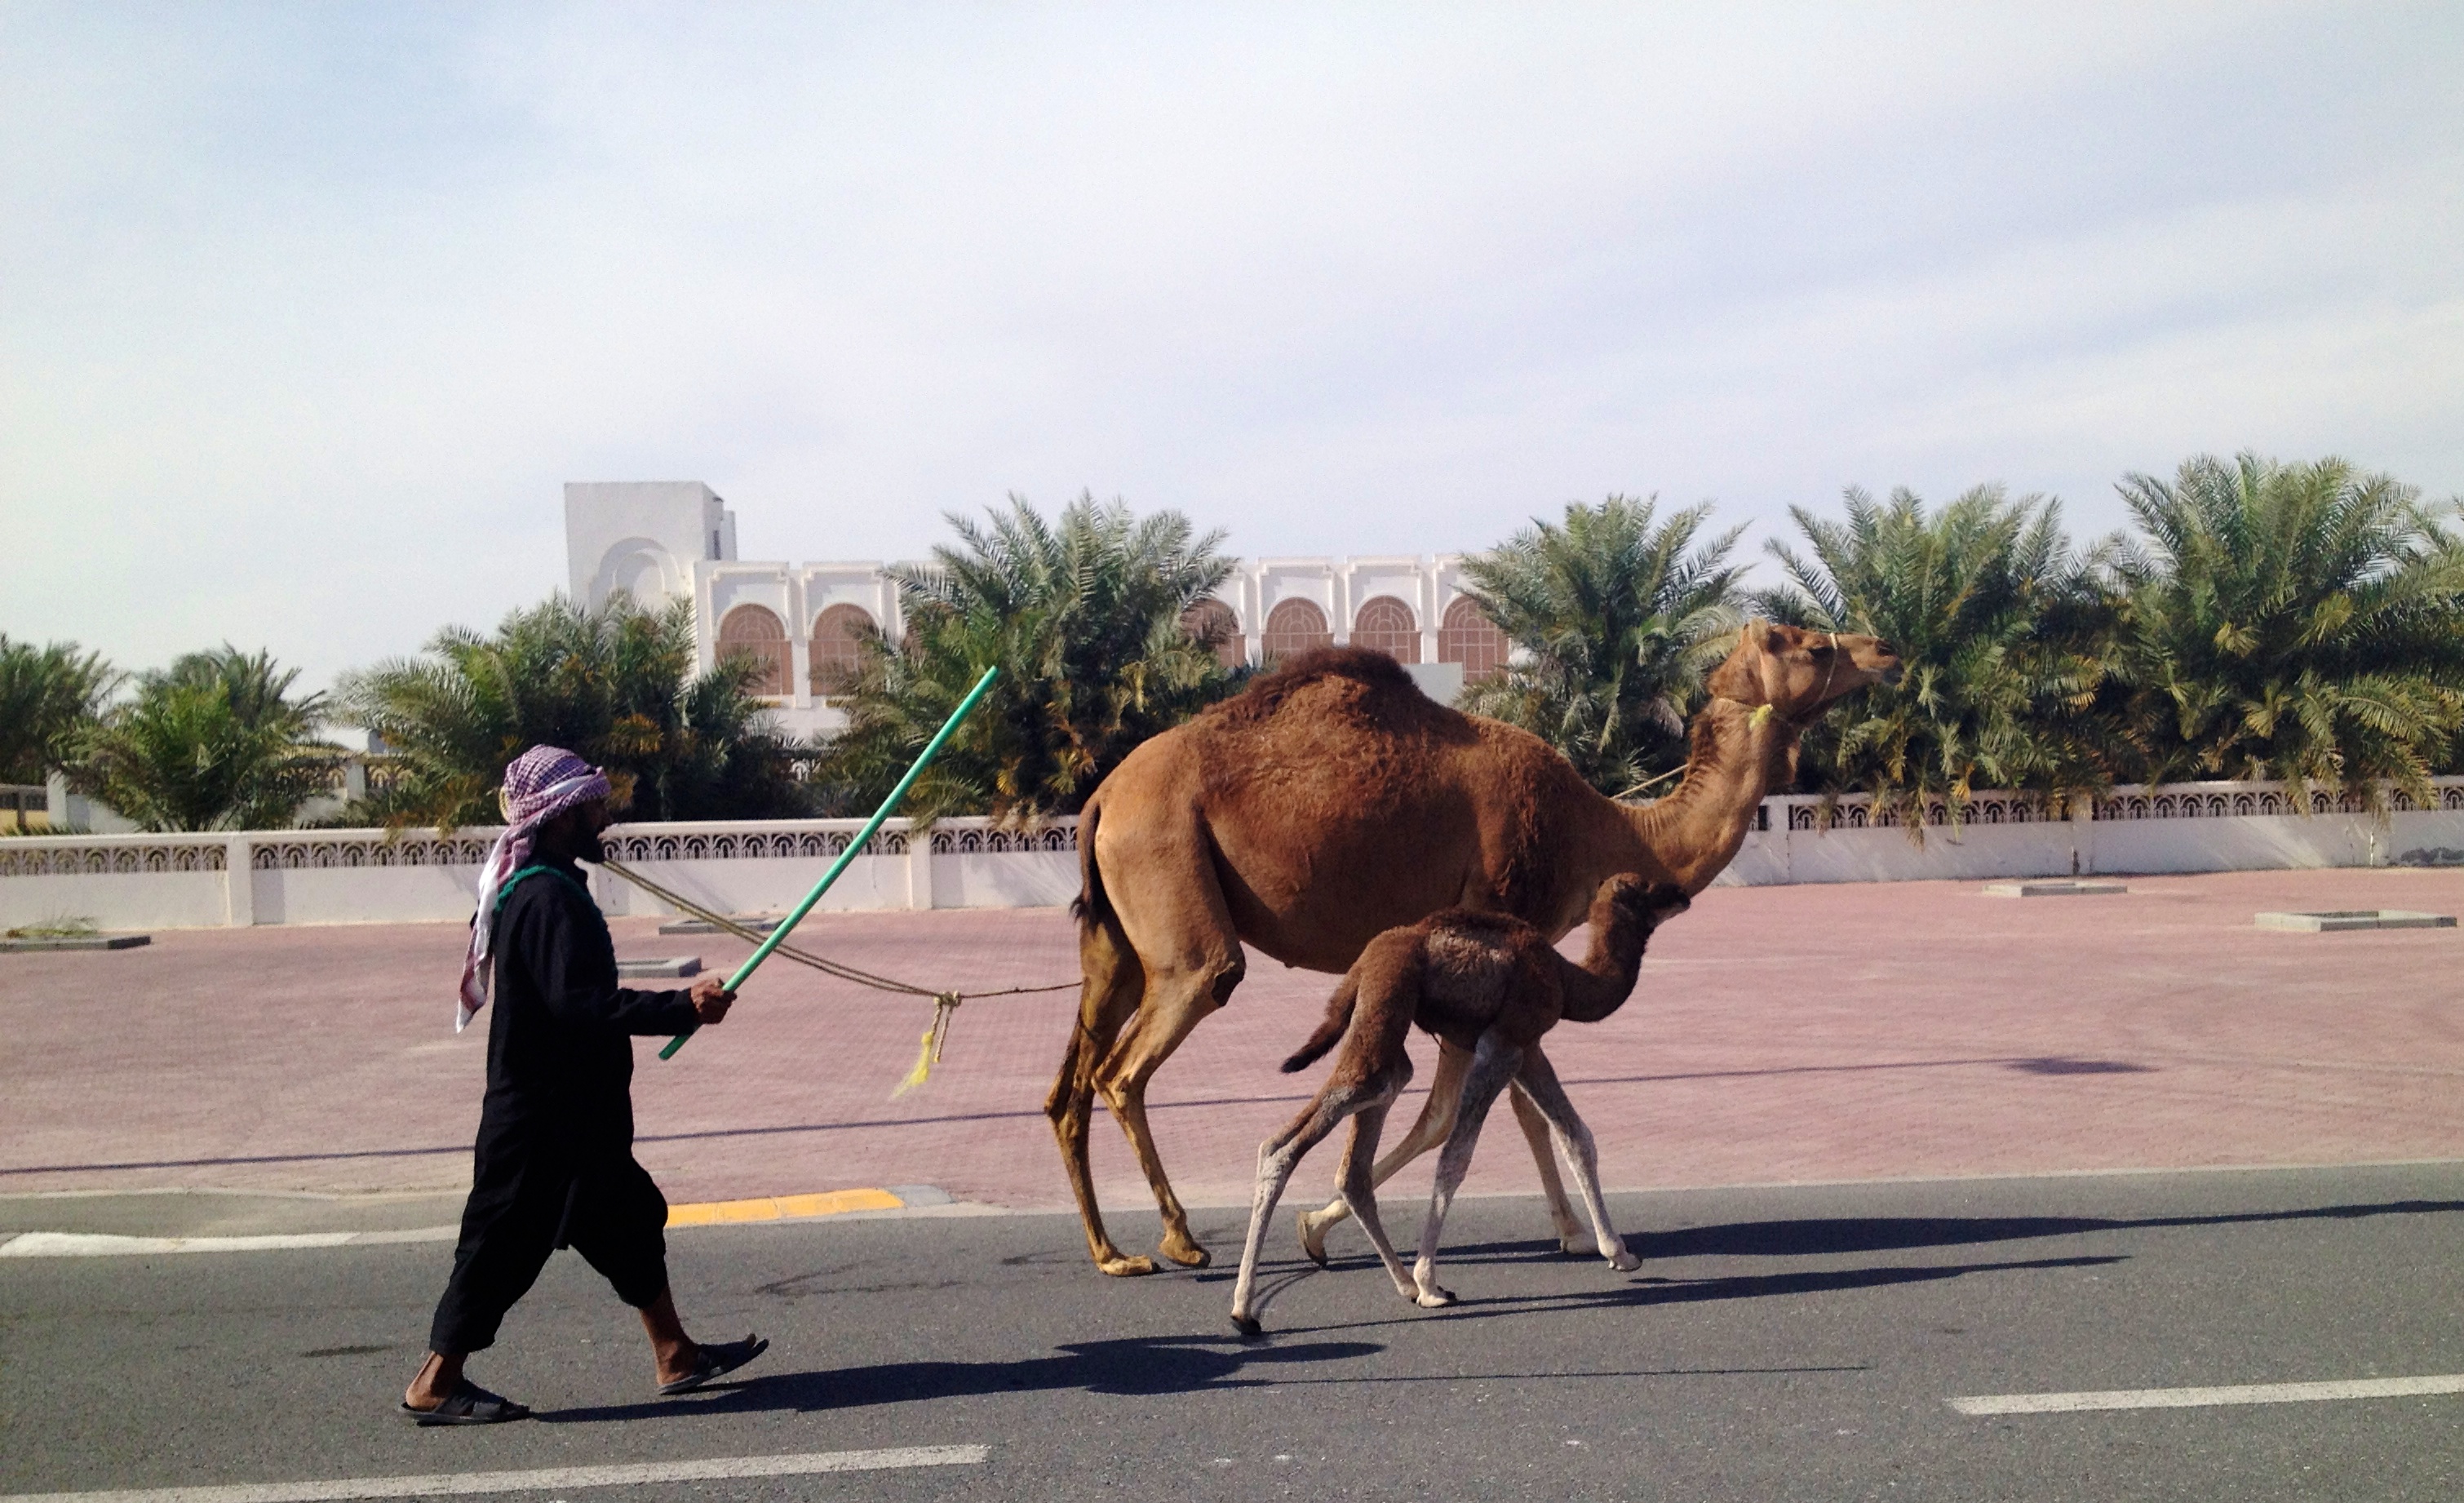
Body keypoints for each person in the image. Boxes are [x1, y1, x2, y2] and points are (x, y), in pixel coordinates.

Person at [401, 746, 767, 1425]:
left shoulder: (551, 885)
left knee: (630, 1220)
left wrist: (679, 1009)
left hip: (579, 1117)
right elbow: (579, 1005)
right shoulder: (545, 898)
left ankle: (675, 1355)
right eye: (595, 807)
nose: (605, 818)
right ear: (564, 817)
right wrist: (680, 1006)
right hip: (539, 1121)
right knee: (501, 1248)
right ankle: (435, 1382)